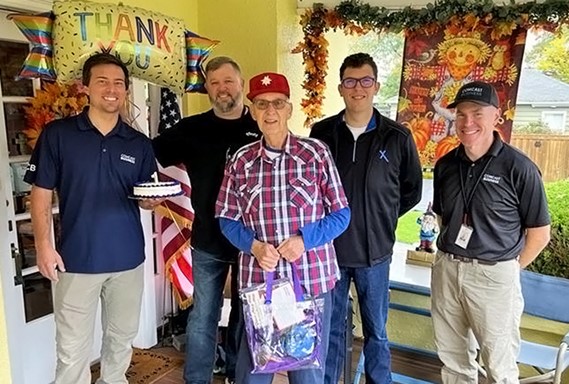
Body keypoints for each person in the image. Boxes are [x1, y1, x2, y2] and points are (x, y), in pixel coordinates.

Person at [24, 53, 160, 384]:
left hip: (127, 261)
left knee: (120, 344)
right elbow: (40, 193)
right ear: (85, 87)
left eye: (118, 83)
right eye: (102, 81)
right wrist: (44, 246)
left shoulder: (139, 144)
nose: (111, 89)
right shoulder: (58, 134)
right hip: (75, 261)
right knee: (71, 352)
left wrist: (152, 202)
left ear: (126, 90)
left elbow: (145, 199)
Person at [215, 72, 351, 384]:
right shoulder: (241, 161)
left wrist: (305, 240)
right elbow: (226, 218)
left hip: (311, 282)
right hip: (261, 285)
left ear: (289, 109)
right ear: (252, 111)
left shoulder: (316, 154)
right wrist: (254, 246)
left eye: (277, 103)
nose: (270, 111)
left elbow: (342, 214)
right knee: (254, 374)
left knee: (308, 374)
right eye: (261, 104)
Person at [310, 52, 423, 384]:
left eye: (365, 81)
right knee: (329, 328)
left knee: (377, 330)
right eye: (350, 81)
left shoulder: (397, 137)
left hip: (375, 255)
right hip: (329, 253)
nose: (358, 88)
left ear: (376, 86)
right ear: (341, 88)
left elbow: (411, 190)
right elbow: (311, 189)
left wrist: (381, 216)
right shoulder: (322, 133)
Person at [432, 81, 551, 383]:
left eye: (477, 113)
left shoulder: (519, 167)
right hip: (447, 269)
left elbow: (539, 233)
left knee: (499, 367)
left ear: (496, 116)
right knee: (453, 361)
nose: (467, 122)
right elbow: (444, 217)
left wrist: (508, 269)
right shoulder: (445, 165)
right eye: (460, 114)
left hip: (495, 277)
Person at [152, 56, 261, 384]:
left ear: (241, 84)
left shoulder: (261, 127)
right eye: (214, 83)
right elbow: (148, 153)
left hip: (252, 244)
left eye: (228, 81)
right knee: (202, 318)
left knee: (246, 318)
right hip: (207, 243)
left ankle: (236, 375)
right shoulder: (191, 129)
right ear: (206, 88)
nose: (222, 88)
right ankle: (196, 379)